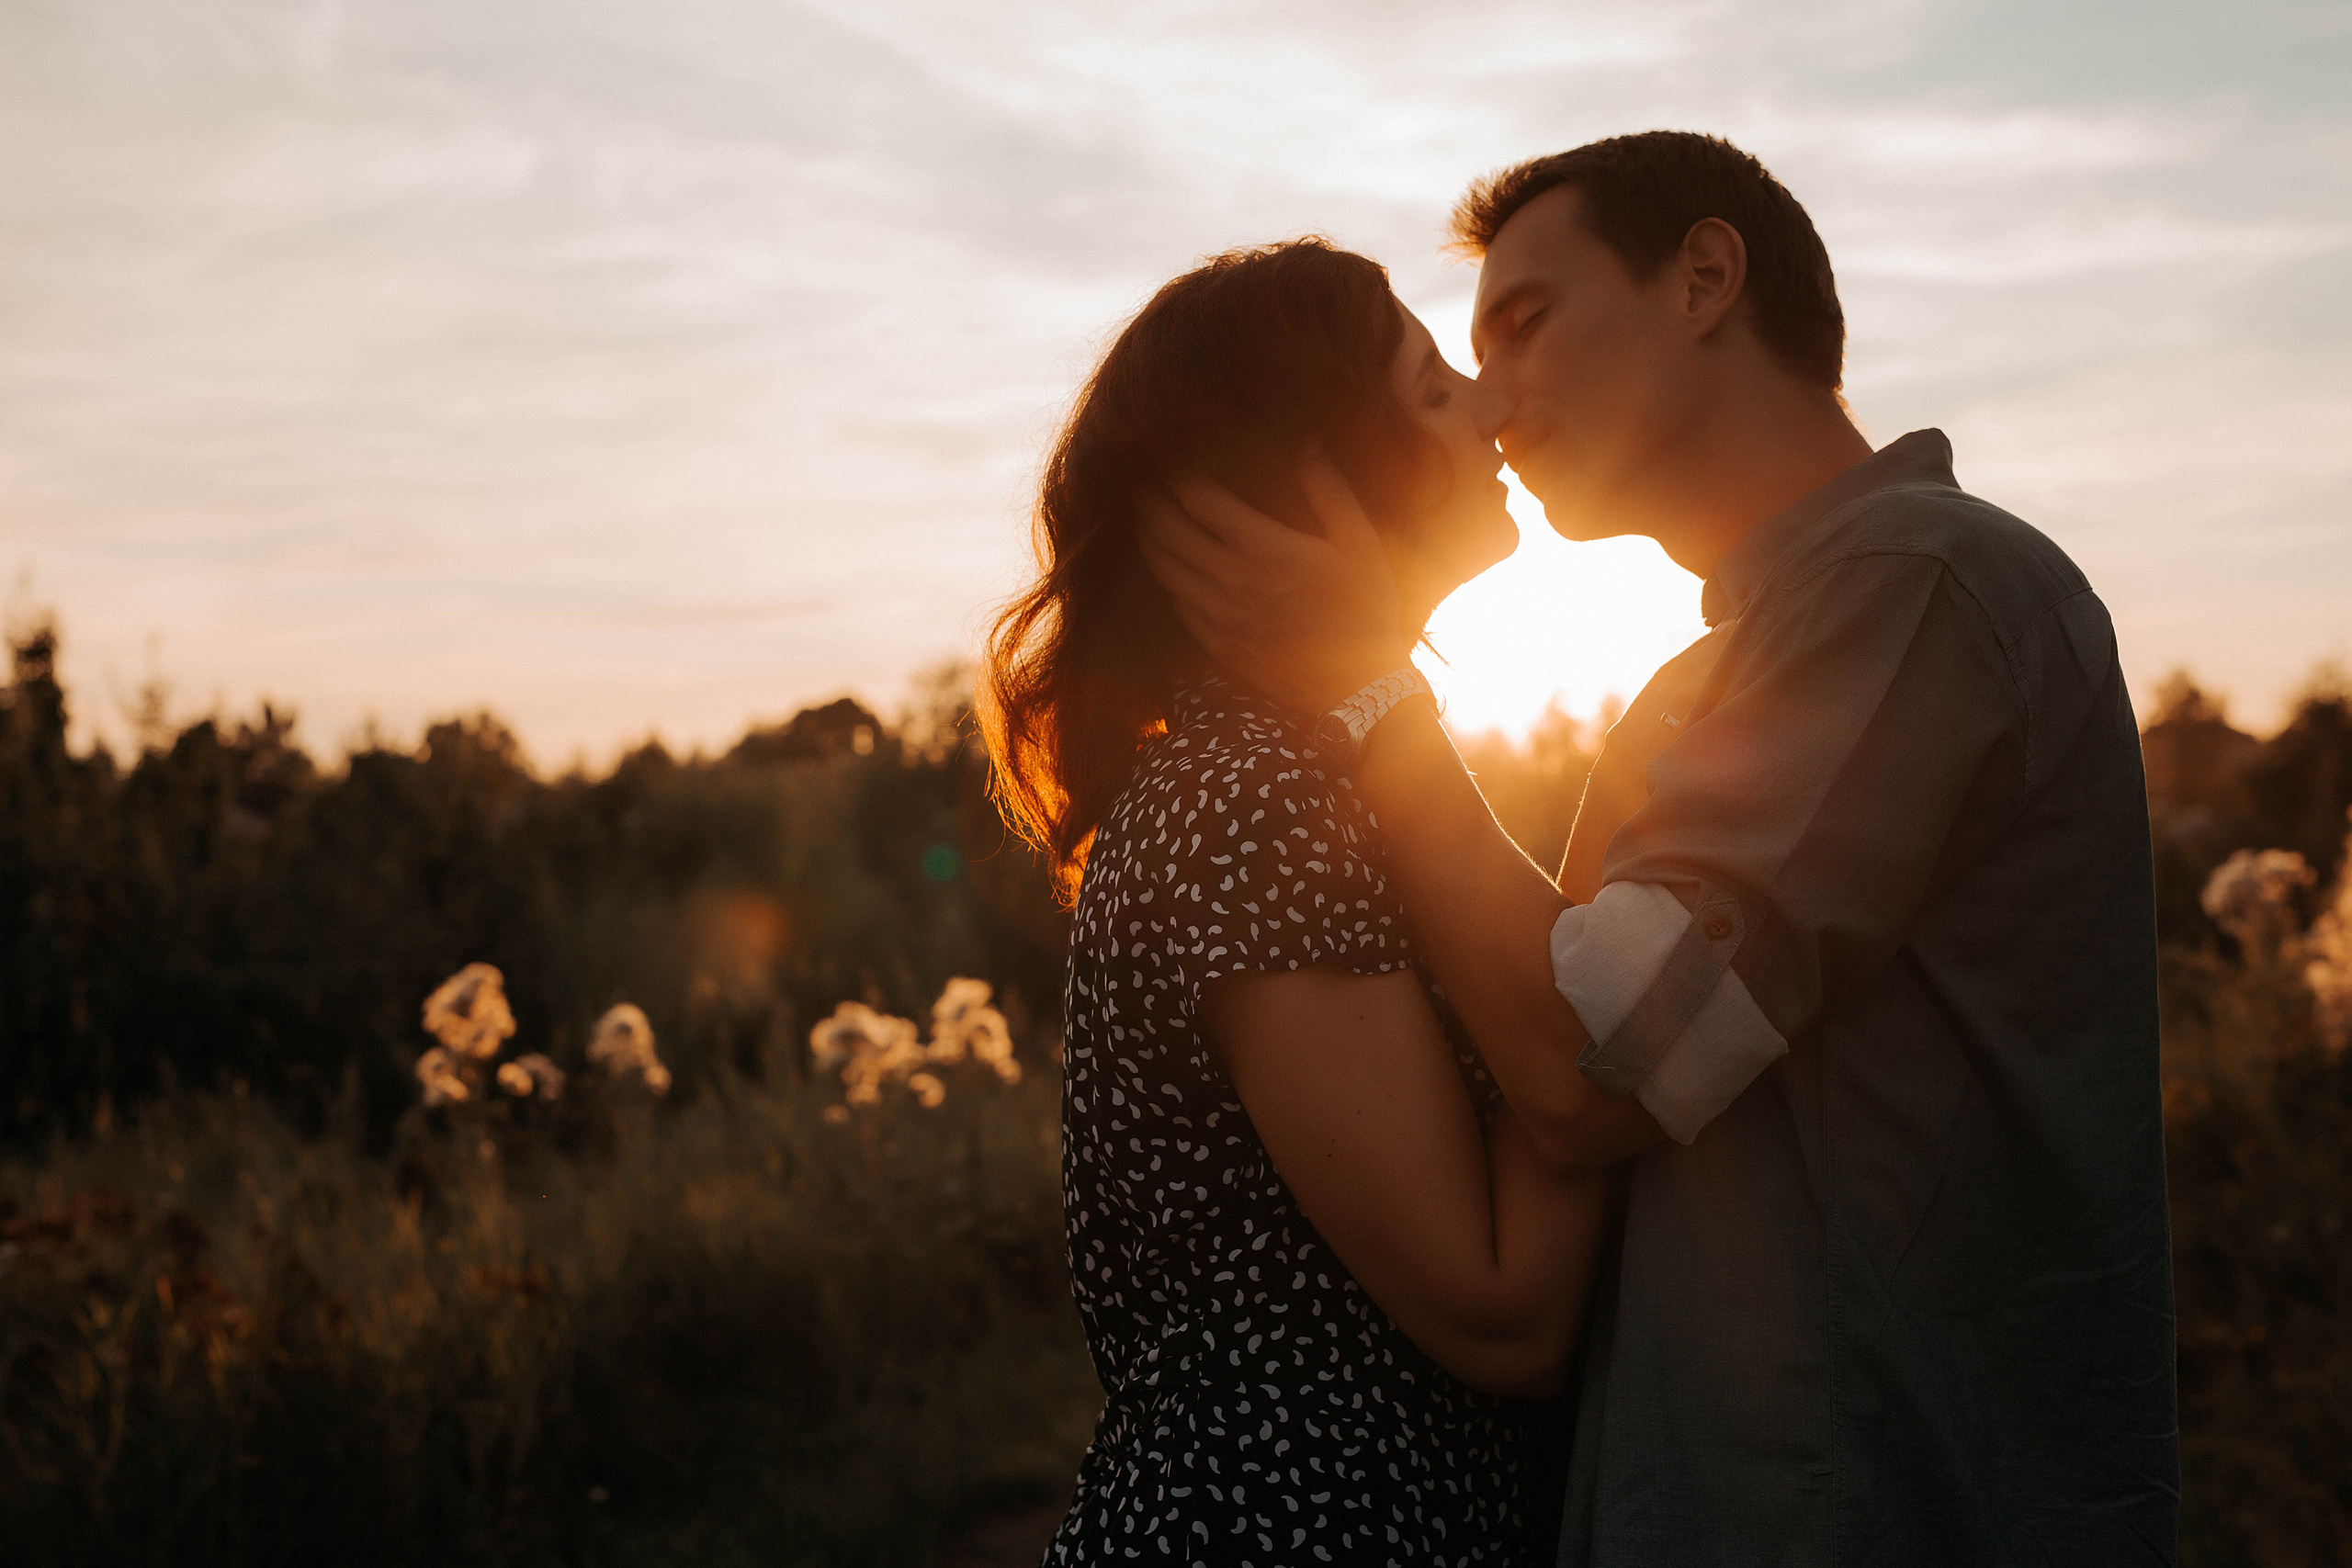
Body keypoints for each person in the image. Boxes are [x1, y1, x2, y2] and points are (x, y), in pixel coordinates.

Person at [1144, 132, 2180, 1565]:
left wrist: (1372, 685)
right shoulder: (1713, 679)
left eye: (1526, 322)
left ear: (1703, 279)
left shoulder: (1919, 580)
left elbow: (1597, 1062)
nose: (1493, 399)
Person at [982, 239, 1639, 1564]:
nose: (1490, 401)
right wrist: (1608, 954)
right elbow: (1501, 1312)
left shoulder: (1314, 771)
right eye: (1433, 385)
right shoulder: (1249, 799)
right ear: (1319, 481)